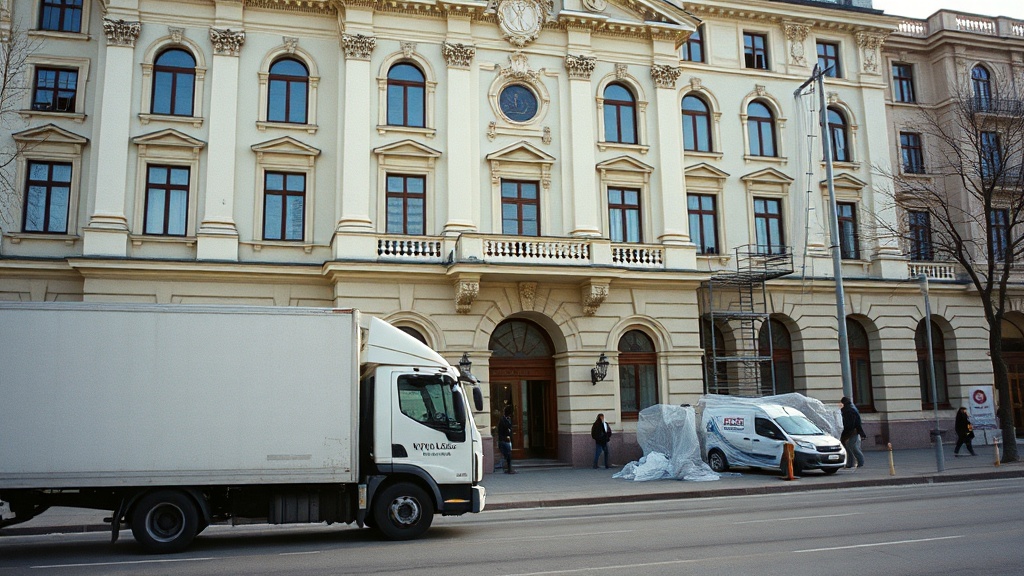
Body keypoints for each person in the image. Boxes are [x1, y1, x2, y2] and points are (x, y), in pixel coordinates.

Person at [840, 396, 866, 469]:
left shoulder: (848, 411)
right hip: (853, 431)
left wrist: (845, 433)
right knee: (850, 447)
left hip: (851, 432)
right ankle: (851, 463)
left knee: (852, 447)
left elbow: (850, 424)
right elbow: (857, 422)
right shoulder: (851, 409)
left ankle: (859, 462)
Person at [498, 406, 516, 474]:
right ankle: (507, 469)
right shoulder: (502, 420)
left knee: (508, 455)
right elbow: (503, 430)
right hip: (504, 440)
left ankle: (508, 468)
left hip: (507, 440)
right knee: (507, 455)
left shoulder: (508, 419)